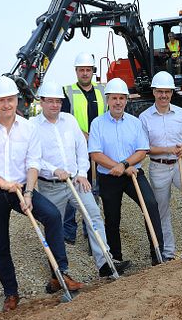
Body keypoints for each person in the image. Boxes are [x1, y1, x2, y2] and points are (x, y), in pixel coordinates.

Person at [0, 76, 83, 312]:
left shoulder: (29, 128)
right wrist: (2, 183)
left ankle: (59, 273)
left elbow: (33, 163)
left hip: (21, 189)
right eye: (1, 101)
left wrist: (29, 193)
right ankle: (11, 293)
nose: (6, 105)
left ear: (17, 100)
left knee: (51, 216)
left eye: (10, 99)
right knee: (0, 243)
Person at [30, 81, 131, 277]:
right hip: (51, 186)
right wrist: (53, 170)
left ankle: (105, 263)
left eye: (58, 101)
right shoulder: (32, 127)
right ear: (41, 102)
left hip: (76, 181)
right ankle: (59, 272)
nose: (54, 105)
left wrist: (82, 174)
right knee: (54, 226)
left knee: (93, 215)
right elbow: (33, 158)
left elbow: (80, 149)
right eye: (50, 101)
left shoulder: (69, 120)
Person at [88, 78, 165, 265]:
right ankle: (117, 259)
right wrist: (118, 166)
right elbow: (96, 154)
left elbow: (142, 150)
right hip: (109, 177)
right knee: (112, 218)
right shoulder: (97, 124)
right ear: (107, 99)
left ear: (126, 100)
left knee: (151, 205)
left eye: (122, 98)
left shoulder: (134, 122)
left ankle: (158, 254)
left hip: (133, 174)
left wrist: (123, 165)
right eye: (114, 98)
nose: (118, 102)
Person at [139, 71, 182, 259]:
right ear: (153, 92)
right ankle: (168, 250)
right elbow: (145, 148)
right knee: (162, 208)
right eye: (160, 91)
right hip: (158, 167)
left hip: (180, 163)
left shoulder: (181, 114)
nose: (163, 96)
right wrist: (168, 148)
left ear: (171, 93)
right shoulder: (144, 118)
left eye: (167, 92)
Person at [61, 52, 106, 245]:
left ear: (93, 71)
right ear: (76, 71)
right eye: (82, 70)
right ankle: (69, 232)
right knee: (73, 188)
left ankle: (92, 232)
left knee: (94, 189)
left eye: (88, 70)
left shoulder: (103, 90)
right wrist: (82, 135)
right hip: (74, 148)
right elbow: (62, 120)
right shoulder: (67, 91)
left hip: (99, 149)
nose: (85, 73)